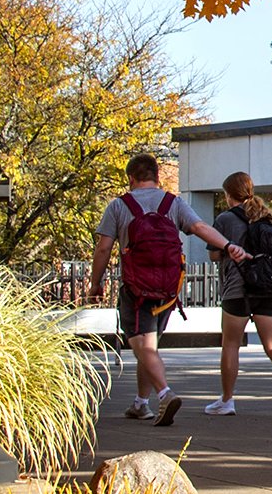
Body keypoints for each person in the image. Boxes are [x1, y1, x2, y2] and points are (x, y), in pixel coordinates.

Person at [91, 152, 247, 426]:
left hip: (136, 288)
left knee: (143, 346)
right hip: (167, 288)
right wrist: (227, 245)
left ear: (130, 178)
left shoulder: (119, 206)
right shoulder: (172, 203)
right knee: (148, 345)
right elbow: (198, 226)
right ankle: (141, 403)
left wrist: (95, 282)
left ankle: (164, 394)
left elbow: (104, 247)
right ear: (157, 177)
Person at [208, 171, 272, 418]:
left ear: (229, 195)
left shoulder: (225, 219)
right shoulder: (269, 216)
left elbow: (213, 254)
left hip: (239, 287)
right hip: (271, 288)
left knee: (230, 343)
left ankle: (227, 400)